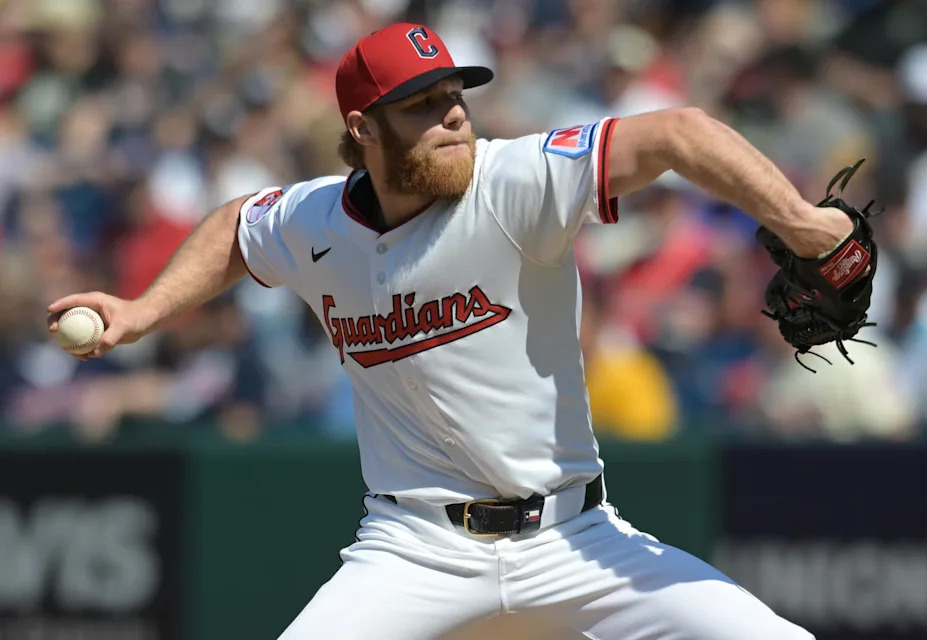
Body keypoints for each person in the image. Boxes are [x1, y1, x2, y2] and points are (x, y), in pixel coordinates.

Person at [47, 23, 851, 639]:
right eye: (422, 106)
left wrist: (808, 226)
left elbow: (677, 133)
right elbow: (235, 226)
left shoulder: (512, 182)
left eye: (456, 95)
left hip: (575, 539)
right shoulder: (317, 219)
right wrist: (141, 312)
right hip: (412, 547)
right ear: (364, 128)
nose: (454, 117)